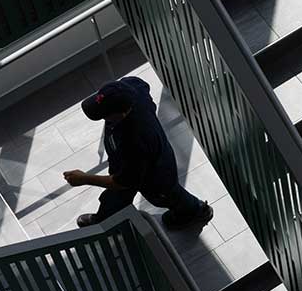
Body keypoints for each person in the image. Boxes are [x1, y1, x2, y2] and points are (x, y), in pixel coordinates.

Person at [64, 76, 214, 230]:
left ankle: (195, 211)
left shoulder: (135, 140)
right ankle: (106, 220)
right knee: (115, 198)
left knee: (166, 195)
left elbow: (122, 182)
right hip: (129, 163)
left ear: (121, 115)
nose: (103, 118)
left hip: (155, 173)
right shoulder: (131, 87)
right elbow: (143, 84)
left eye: (104, 114)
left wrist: (84, 178)